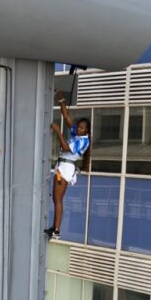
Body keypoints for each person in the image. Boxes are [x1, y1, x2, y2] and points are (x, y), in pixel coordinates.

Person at [45, 91, 90, 241]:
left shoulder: (83, 141)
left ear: (87, 131)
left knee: (58, 199)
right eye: (79, 127)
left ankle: (56, 230)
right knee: (56, 199)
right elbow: (67, 117)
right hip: (62, 166)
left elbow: (65, 148)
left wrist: (58, 132)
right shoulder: (78, 136)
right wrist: (62, 100)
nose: (78, 129)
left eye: (82, 128)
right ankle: (55, 228)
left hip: (66, 168)